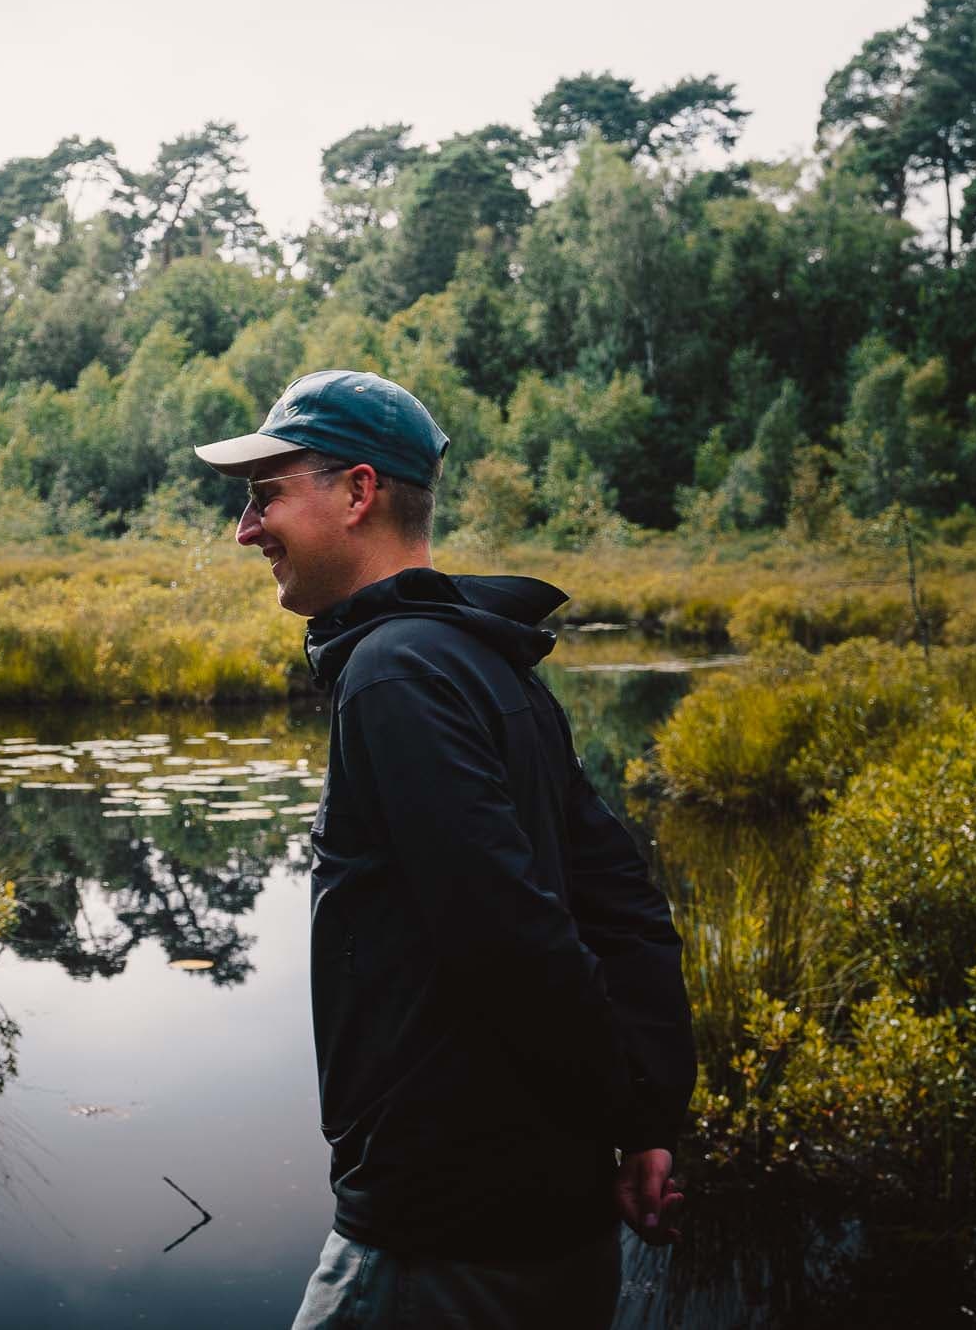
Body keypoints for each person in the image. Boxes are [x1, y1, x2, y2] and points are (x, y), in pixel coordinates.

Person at [193, 369, 697, 1329]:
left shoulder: (395, 673)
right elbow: (622, 900)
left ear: (356, 492)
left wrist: (631, 1118)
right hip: (543, 1214)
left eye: (265, 498)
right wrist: (641, 1121)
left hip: (440, 1237)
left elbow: (514, 939)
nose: (246, 530)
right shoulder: (475, 655)